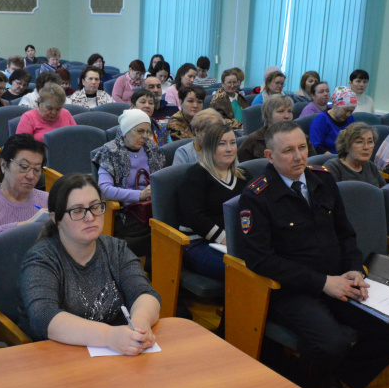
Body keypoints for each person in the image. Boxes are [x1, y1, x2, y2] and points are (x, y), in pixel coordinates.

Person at [237, 121, 389, 388]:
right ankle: (304, 387)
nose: (299, 157)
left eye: (302, 148)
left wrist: (354, 270)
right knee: (331, 344)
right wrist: (323, 283)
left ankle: (333, 380)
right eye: (288, 151)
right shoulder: (258, 195)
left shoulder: (323, 180)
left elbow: (345, 234)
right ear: (269, 156)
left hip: (339, 281)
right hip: (291, 290)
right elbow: (260, 260)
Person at [19, 173, 161, 350]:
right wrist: (109, 336)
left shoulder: (115, 249)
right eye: (77, 211)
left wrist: (139, 326)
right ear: (56, 219)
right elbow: (43, 316)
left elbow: (145, 293)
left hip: (117, 352)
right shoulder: (41, 259)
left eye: (95, 207)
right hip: (61, 358)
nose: (90, 217)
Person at [177, 123, 248, 283]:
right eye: (222, 144)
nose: (229, 149)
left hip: (235, 241)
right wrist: (225, 239)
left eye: (233, 143)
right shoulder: (196, 174)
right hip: (198, 244)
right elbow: (193, 216)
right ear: (209, 147)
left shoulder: (243, 175)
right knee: (246, 270)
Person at [93, 108, 166, 258]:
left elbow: (163, 177)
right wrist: (139, 195)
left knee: (171, 226)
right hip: (126, 213)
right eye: (140, 131)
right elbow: (104, 190)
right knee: (160, 231)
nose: (145, 136)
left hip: (153, 207)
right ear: (126, 130)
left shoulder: (151, 148)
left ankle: (159, 273)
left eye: (148, 132)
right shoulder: (110, 151)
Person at [237, 95, 295, 162]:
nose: (287, 116)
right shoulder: (254, 140)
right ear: (268, 115)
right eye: (281, 111)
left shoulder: (300, 137)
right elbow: (239, 167)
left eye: (289, 111)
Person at [309, 87, 358, 154]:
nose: (348, 114)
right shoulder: (321, 120)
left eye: (351, 111)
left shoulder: (351, 119)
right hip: (326, 159)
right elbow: (315, 146)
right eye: (346, 110)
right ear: (335, 105)